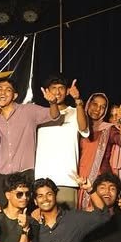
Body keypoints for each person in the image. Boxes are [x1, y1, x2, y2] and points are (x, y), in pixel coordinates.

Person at [0, 77, 61, 203]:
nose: (3, 92)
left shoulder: (29, 110)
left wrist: (53, 103)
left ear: (14, 95)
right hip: (0, 173)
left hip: (24, 173)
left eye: (8, 90)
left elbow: (54, 115)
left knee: (24, 211)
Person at [34, 75, 86, 206]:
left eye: (61, 88)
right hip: (42, 180)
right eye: (54, 88)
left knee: (67, 218)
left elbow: (84, 129)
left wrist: (78, 100)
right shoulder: (39, 114)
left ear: (67, 91)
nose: (57, 92)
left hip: (67, 180)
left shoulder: (75, 111)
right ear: (47, 91)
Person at [77, 92, 121, 208]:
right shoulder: (76, 126)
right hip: (77, 177)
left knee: (98, 213)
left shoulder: (108, 129)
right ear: (88, 104)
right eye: (95, 104)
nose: (98, 109)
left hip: (100, 180)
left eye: (102, 107)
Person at [31, 177, 109, 242]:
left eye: (49, 194)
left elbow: (103, 216)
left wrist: (90, 189)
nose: (45, 199)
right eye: (40, 196)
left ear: (55, 196)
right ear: (35, 201)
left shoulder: (74, 219)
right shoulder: (32, 226)